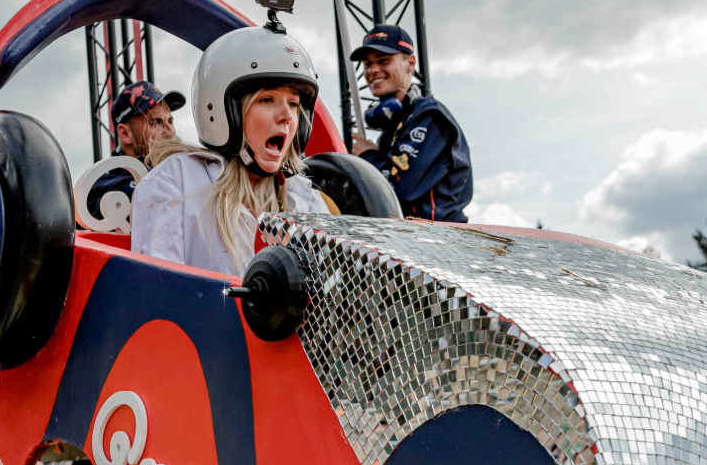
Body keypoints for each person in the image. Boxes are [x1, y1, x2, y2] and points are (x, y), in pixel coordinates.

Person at [131, 26, 328, 277]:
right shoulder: (174, 184)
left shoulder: (306, 201)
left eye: (293, 103)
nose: (287, 116)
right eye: (267, 100)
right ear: (223, 111)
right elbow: (158, 291)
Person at [349, 24, 471, 222]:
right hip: (408, 236)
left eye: (383, 60)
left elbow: (397, 190)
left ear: (410, 63)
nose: (373, 70)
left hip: (438, 236)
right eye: (367, 64)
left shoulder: (429, 117)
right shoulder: (397, 125)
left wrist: (368, 155)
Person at [85, 81, 185, 223]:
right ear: (125, 133)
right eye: (156, 122)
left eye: (170, 121)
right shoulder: (103, 187)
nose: (170, 131)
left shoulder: (181, 170)